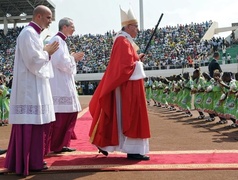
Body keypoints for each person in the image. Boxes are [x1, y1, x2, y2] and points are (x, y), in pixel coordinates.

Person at [88, 7, 150, 160]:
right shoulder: (123, 41)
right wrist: (138, 64)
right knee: (130, 116)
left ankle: (105, 143)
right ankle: (133, 150)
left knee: (119, 118)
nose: (137, 29)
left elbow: (128, 62)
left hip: (127, 86)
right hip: (127, 88)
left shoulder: (125, 41)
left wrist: (137, 59)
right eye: (135, 26)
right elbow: (124, 67)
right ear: (128, 27)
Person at [4, 5, 59, 176]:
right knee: (32, 123)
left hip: (35, 84)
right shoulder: (28, 33)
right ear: (39, 16)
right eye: (48, 17)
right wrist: (47, 53)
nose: (51, 21)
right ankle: (30, 161)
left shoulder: (34, 34)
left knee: (39, 123)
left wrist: (45, 52)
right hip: (29, 88)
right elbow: (33, 59)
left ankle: (35, 159)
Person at [48, 17, 84, 153]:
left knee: (70, 114)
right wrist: (73, 58)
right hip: (59, 84)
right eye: (72, 26)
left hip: (64, 82)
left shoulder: (62, 41)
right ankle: (56, 145)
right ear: (64, 27)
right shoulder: (57, 40)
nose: (74, 29)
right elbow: (60, 62)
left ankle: (63, 143)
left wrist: (72, 58)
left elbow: (65, 62)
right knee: (62, 117)